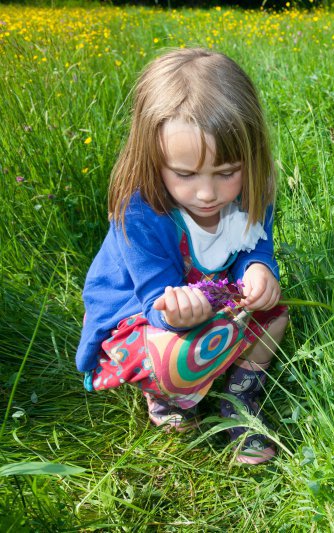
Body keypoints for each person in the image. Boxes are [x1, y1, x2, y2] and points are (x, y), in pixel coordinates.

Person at [75, 48, 289, 465]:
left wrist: (260, 268)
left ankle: (239, 398)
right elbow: (155, 299)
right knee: (177, 360)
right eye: (186, 175)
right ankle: (167, 397)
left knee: (276, 315)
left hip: (205, 303)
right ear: (152, 160)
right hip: (137, 314)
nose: (208, 193)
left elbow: (254, 246)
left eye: (227, 172)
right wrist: (176, 314)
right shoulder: (140, 211)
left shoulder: (254, 191)